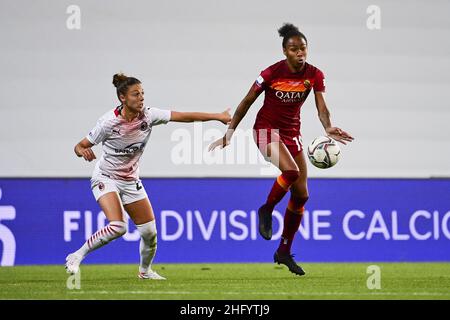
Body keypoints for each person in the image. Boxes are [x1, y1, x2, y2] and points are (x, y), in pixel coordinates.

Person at [209, 23, 354, 275]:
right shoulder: (270, 73)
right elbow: (246, 101)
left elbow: (321, 106)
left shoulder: (314, 74)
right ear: (285, 51)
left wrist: (328, 126)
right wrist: (230, 132)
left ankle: (283, 251)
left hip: (291, 134)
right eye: (294, 49)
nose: (300, 53)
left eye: (303, 48)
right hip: (265, 130)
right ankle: (266, 209)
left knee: (302, 196)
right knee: (291, 172)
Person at [66, 73, 231, 279]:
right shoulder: (108, 123)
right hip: (105, 177)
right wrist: (84, 151)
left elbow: (184, 116)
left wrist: (218, 116)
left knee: (149, 233)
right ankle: (76, 256)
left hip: (130, 181)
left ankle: (145, 272)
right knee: (118, 227)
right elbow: (79, 146)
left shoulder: (149, 116)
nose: (141, 98)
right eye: (136, 94)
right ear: (122, 98)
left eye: (143, 93)